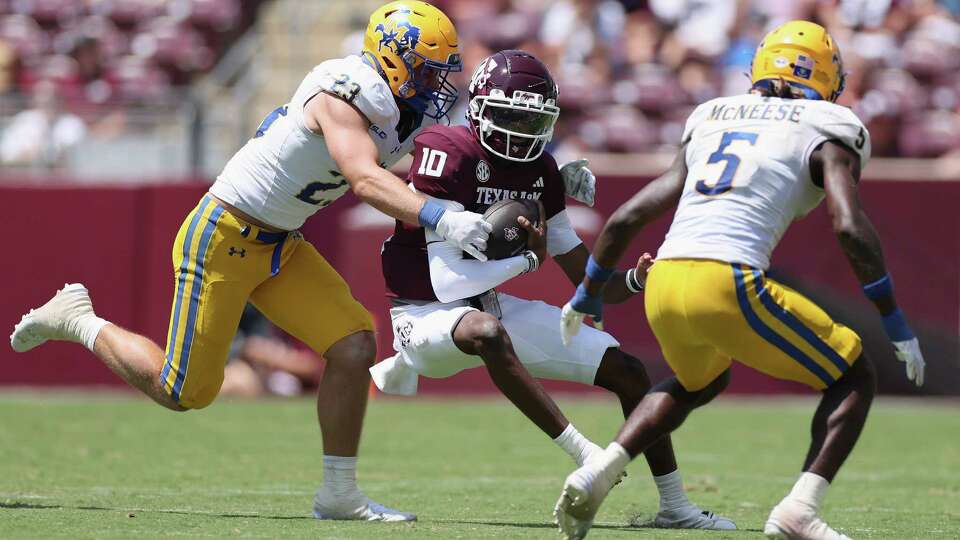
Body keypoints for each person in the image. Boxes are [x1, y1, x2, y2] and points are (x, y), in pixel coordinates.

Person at [10, 1, 491, 522]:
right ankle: (78, 318)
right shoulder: (346, 90)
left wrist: (546, 176)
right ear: (393, 60)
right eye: (425, 69)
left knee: (353, 343)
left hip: (280, 243)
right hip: (222, 235)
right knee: (184, 391)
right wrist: (441, 216)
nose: (434, 83)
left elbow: (460, 156)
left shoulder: (405, 104)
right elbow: (364, 178)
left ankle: (339, 495)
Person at [553, 20, 926, 540]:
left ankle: (599, 471)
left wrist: (587, 294)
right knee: (854, 375)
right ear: (824, 76)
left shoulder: (713, 114)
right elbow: (848, 224)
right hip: (726, 280)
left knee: (698, 380)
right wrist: (893, 315)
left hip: (663, 282)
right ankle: (799, 511)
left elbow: (626, 218)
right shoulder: (828, 122)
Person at [371, 49, 735, 530]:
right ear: (479, 108)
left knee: (627, 371)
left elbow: (586, 279)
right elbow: (448, 282)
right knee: (486, 331)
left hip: (488, 305)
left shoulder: (541, 170)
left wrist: (630, 280)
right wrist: (526, 260)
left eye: (531, 120)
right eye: (510, 116)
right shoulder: (449, 152)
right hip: (422, 314)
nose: (521, 131)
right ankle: (586, 455)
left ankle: (675, 506)